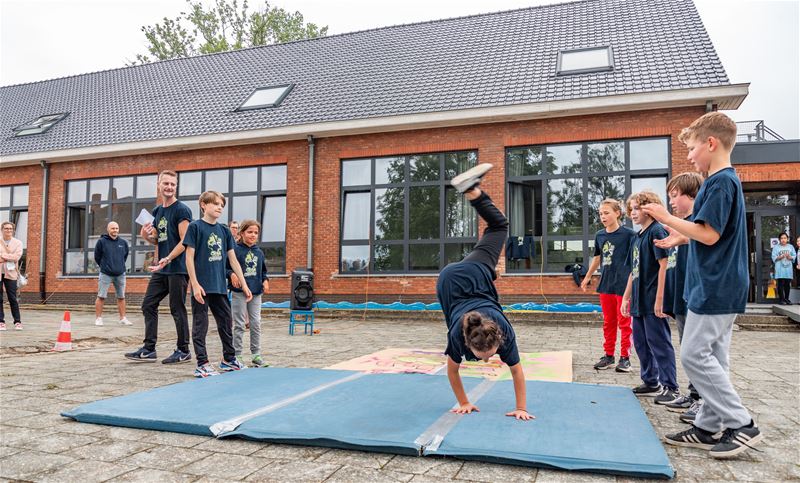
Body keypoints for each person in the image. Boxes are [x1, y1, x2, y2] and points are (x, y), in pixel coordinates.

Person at [642, 112, 762, 458]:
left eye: (693, 148)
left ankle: (741, 423)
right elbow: (708, 230)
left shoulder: (721, 182)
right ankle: (709, 426)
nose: (690, 156)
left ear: (711, 143)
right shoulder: (718, 182)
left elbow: (709, 234)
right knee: (714, 357)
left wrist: (666, 218)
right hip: (714, 285)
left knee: (694, 354)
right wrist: (678, 237)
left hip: (717, 286)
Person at [436, 163, 533, 421]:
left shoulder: (485, 332)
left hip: (459, 279)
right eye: (487, 357)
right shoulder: (461, 336)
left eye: (488, 356)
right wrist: (464, 402)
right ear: (468, 342)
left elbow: (515, 371)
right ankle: (470, 189)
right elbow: (455, 371)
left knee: (500, 226)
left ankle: (472, 191)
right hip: (458, 276)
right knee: (498, 227)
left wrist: (521, 408)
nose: (489, 361)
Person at [125, 170, 193, 364]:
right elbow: (157, 240)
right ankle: (149, 349)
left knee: (177, 308)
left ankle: (184, 350)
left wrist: (169, 258)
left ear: (176, 186)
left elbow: (185, 241)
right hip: (162, 267)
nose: (169, 187)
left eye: (172, 184)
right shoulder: (157, 211)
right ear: (159, 185)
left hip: (178, 267)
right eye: (166, 184)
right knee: (148, 304)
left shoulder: (182, 210)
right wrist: (145, 234)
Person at [183, 191, 252, 378]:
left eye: (222, 204)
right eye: (215, 203)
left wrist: (244, 285)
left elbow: (233, 260)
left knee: (225, 322)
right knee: (201, 324)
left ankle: (229, 359)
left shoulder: (223, 231)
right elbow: (188, 257)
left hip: (219, 286)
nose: (219, 207)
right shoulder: (195, 227)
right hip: (202, 287)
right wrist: (195, 284)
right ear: (203, 205)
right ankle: (202, 363)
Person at [620, 191, 679, 405]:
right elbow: (632, 271)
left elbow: (664, 265)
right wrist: (626, 298)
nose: (633, 213)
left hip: (653, 298)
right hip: (638, 300)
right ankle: (651, 380)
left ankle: (670, 386)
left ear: (649, 208)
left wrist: (660, 298)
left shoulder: (657, 231)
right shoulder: (637, 237)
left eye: (637, 208)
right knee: (641, 343)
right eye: (631, 209)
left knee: (659, 342)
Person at [659, 172, 704, 420]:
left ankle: (702, 399)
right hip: (680, 296)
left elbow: (703, 239)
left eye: (675, 196)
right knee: (686, 348)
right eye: (670, 197)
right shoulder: (680, 225)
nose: (672, 202)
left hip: (695, 297)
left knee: (697, 351)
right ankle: (693, 393)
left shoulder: (698, 223)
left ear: (692, 194)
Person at [581, 199, 635, 372]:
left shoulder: (629, 235)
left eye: (606, 213)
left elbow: (636, 260)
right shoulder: (599, 235)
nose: (603, 216)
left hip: (623, 285)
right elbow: (597, 258)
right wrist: (587, 277)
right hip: (606, 284)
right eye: (600, 213)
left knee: (624, 322)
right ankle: (609, 355)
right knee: (608, 322)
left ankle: (625, 358)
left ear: (617, 213)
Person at [229, 219, 270, 367]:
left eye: (256, 233)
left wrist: (265, 280)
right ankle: (237, 355)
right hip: (239, 292)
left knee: (256, 323)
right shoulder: (235, 250)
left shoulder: (259, 252)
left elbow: (263, 271)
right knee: (239, 324)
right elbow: (227, 267)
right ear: (241, 233)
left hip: (256, 292)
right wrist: (231, 274)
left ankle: (256, 354)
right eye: (250, 232)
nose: (253, 235)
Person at [94, 221, 132, 326]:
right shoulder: (101, 242)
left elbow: (124, 256)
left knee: (121, 297)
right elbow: (97, 257)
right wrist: (105, 266)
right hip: (106, 274)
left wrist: (118, 266)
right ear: (108, 229)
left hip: (120, 274)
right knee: (101, 296)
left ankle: (123, 318)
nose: (115, 230)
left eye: (116, 228)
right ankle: (98, 318)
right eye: (113, 228)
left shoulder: (123, 243)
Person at [0, 221, 23, 331]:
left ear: (13, 230)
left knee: (12, 298)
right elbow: (12, 257)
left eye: (10, 228)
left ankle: (17, 322)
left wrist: (3, 257)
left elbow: (16, 257)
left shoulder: (17, 243)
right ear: (2, 230)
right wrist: (10, 256)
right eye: (6, 228)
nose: (8, 230)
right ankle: (1, 322)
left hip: (11, 273)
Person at [771, 233, 796, 305]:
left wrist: (789, 257)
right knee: (780, 284)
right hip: (779, 268)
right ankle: (781, 299)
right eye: (781, 238)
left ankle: (787, 299)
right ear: (779, 239)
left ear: (787, 239)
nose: (783, 240)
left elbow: (794, 256)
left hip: (788, 268)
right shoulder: (776, 247)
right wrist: (780, 257)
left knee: (787, 284)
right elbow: (773, 258)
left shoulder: (791, 247)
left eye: (785, 238)